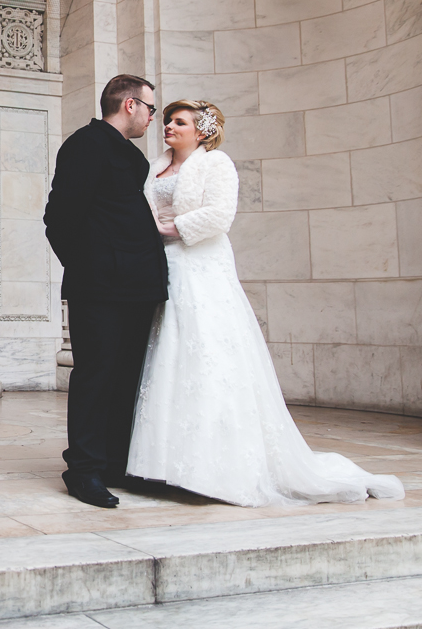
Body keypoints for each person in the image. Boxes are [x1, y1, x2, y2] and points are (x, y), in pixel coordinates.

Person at [127, 100, 404, 506]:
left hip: (200, 262)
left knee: (206, 352)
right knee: (166, 352)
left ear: (201, 131)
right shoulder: (153, 167)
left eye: (179, 121)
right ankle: (164, 464)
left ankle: (213, 466)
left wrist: (172, 228)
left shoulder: (216, 163)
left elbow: (221, 214)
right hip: (162, 264)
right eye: (167, 119)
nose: (168, 125)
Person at [43, 74, 168, 509]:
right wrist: (90, 268)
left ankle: (116, 463)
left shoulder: (133, 159)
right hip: (99, 288)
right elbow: (58, 218)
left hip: (138, 287)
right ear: (130, 105)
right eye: (151, 108)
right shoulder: (85, 145)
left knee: (127, 377)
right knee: (96, 376)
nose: (154, 117)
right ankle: (84, 470)